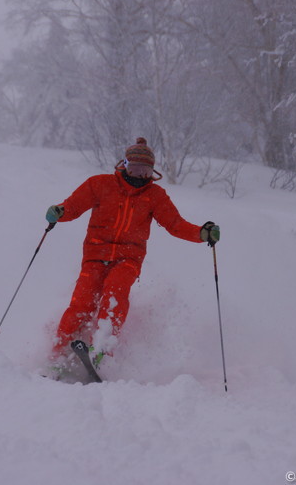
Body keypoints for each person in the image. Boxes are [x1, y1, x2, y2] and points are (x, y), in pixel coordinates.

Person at [45, 137, 220, 373]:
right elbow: (73, 206)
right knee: (82, 301)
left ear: (152, 171)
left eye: (145, 170)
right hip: (96, 254)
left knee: (115, 293)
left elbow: (175, 224)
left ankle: (101, 351)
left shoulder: (155, 195)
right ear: (124, 164)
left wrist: (201, 233)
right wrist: (59, 212)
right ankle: (58, 354)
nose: (139, 175)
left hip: (128, 259)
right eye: (135, 168)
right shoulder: (99, 184)